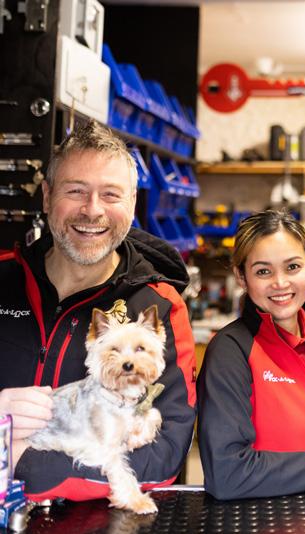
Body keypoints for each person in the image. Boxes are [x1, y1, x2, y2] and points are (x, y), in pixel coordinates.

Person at [0, 120, 197, 501]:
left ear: (132, 204)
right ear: (47, 197)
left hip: (100, 532)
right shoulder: (3, 278)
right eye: (76, 191)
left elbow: (165, 456)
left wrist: (23, 463)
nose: (92, 210)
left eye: (110, 194)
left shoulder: (160, 306)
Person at [197, 210, 305, 499]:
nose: (280, 283)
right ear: (241, 276)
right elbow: (227, 472)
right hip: (264, 522)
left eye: (292, 267)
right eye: (263, 271)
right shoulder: (231, 352)